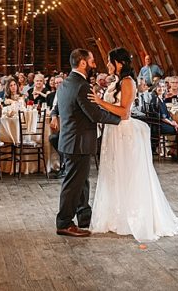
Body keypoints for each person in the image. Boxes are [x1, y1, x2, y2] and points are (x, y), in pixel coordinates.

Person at [87, 47, 178, 241]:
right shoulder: (117, 82)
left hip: (125, 132)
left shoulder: (128, 82)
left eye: (109, 61)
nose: (107, 65)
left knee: (128, 173)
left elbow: (125, 112)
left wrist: (99, 101)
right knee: (114, 173)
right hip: (114, 131)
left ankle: (134, 216)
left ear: (119, 63)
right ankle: (117, 214)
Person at [52, 49, 124, 237]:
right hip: (78, 141)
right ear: (83, 63)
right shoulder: (81, 86)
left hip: (69, 140)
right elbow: (94, 113)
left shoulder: (66, 84)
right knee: (73, 184)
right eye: (91, 61)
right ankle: (64, 222)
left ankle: (84, 217)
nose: (94, 64)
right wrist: (121, 119)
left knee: (81, 181)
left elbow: (64, 109)